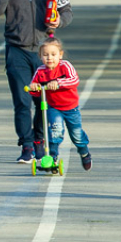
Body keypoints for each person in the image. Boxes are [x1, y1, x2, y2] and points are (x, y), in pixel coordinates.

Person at [0, 0, 74, 163]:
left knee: (43, 101)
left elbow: (67, 11)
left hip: (44, 54)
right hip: (16, 50)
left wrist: (59, 21)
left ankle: (38, 141)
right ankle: (26, 145)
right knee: (21, 100)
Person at [28, 37, 92, 170]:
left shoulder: (65, 66)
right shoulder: (40, 71)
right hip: (53, 107)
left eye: (53, 54)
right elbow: (35, 90)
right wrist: (34, 88)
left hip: (70, 108)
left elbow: (74, 80)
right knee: (56, 130)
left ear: (60, 55)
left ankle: (84, 152)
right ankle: (52, 156)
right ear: (40, 56)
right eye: (45, 55)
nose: (49, 58)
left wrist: (58, 83)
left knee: (76, 135)